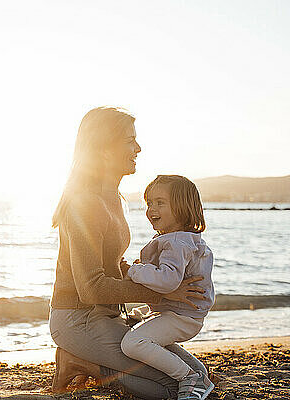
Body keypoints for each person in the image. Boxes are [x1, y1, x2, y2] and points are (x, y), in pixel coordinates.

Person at [49, 107, 208, 400]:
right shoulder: (85, 204)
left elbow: (114, 263)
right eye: (129, 140)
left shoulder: (114, 198)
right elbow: (91, 288)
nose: (138, 148)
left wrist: (153, 276)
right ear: (104, 149)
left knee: (200, 377)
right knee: (172, 388)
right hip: (76, 319)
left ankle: (89, 359)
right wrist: (163, 294)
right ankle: (83, 362)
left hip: (109, 317)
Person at [120, 175, 215, 400]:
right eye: (149, 203)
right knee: (136, 332)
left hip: (182, 316)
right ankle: (143, 318)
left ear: (182, 207)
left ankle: (189, 378)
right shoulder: (180, 239)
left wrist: (132, 271)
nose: (151, 209)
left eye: (160, 203)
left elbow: (167, 281)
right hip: (180, 313)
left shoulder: (177, 242)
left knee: (132, 343)